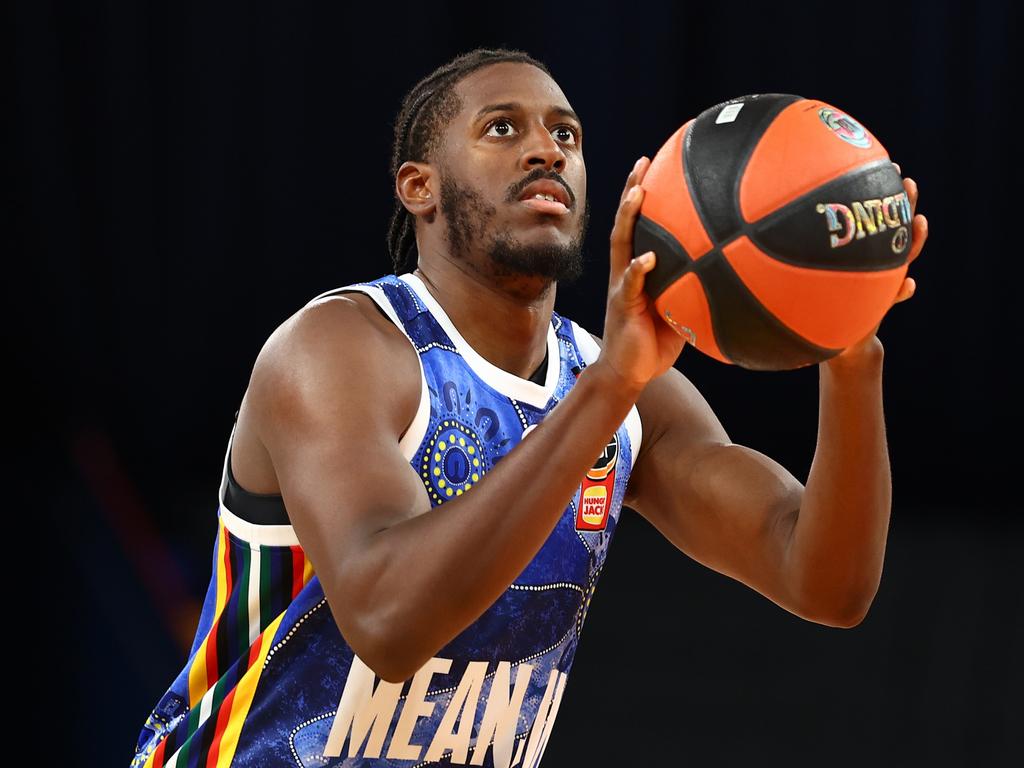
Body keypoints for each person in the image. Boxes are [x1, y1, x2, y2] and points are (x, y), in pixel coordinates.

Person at [130, 47, 927, 768]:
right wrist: (608, 390)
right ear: (420, 187)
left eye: (567, 136)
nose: (547, 148)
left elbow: (825, 584)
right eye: (502, 128)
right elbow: (388, 622)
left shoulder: (621, 385)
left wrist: (850, 356)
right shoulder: (341, 349)